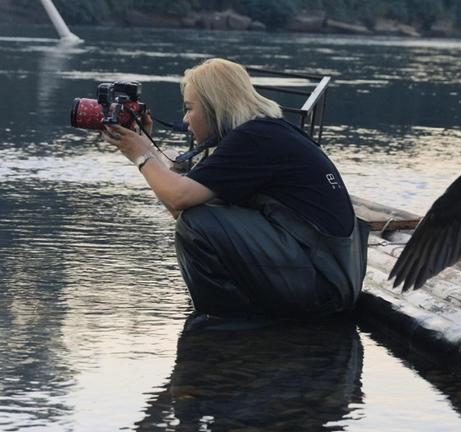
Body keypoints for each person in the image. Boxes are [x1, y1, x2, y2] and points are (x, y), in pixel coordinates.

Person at [102, 58, 368, 319]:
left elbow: (179, 198)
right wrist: (144, 148)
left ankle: (221, 322)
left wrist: (140, 154)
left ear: (214, 107)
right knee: (198, 216)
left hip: (323, 284)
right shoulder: (263, 133)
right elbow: (180, 202)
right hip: (331, 275)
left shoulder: (254, 138)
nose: (185, 120)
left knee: (197, 223)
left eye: (189, 108)